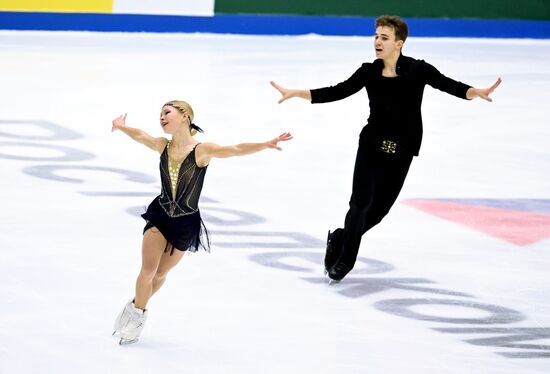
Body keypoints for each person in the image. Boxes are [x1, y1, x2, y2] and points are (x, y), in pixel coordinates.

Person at [270, 15, 501, 283]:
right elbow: (338, 91)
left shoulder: (418, 70)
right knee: (360, 203)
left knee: (378, 212)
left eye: (384, 37)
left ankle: (341, 237)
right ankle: (346, 260)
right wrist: (299, 93)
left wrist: (476, 92)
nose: (377, 42)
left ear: (399, 43)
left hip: (402, 151)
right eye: (376, 36)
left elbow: (449, 85)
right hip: (370, 146)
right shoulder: (368, 71)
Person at [110, 100, 292, 344]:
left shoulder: (202, 151)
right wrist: (120, 126)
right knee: (148, 271)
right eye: (160, 115)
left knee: (161, 274)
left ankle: (135, 305)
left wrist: (265, 144)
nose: (161, 118)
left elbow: (235, 148)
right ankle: (136, 318)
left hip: (186, 223)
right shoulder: (162, 145)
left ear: (185, 116)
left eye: (167, 113)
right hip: (160, 215)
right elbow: (140, 135)